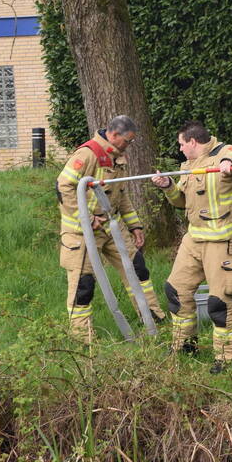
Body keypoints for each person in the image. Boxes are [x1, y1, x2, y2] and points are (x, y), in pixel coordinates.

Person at [151, 121, 232, 373]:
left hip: (221, 242)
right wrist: (168, 187)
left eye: (181, 144)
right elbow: (181, 202)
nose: (180, 149)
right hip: (193, 240)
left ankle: (227, 359)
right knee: (176, 290)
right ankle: (185, 344)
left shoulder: (223, 153)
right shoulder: (187, 166)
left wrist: (229, 161)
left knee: (219, 303)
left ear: (192, 142)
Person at [56, 115, 166, 343]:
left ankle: (153, 319)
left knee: (138, 269)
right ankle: (83, 340)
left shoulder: (118, 157)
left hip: (111, 227)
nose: (130, 145)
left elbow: (121, 194)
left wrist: (135, 225)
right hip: (82, 233)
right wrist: (85, 218)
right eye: (128, 141)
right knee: (83, 285)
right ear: (114, 135)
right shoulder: (87, 154)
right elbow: (63, 186)